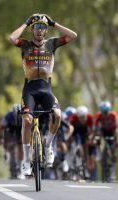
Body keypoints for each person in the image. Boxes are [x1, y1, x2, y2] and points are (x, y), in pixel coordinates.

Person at [9, 13, 77, 175]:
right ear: (33, 30)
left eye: (43, 28)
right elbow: (12, 38)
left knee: (58, 115)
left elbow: (73, 35)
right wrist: (26, 22)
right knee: (27, 121)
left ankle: (47, 146)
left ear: (46, 31)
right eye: (37, 27)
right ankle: (26, 159)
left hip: (46, 89)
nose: (40, 30)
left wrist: (53, 23)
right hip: (30, 90)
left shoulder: (52, 44)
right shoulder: (25, 45)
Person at [69, 105, 96, 180]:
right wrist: (70, 139)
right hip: (76, 130)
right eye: (80, 117)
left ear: (86, 115)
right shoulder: (74, 118)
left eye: (83, 117)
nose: (82, 119)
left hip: (85, 132)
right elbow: (70, 128)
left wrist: (90, 138)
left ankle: (85, 165)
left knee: (85, 146)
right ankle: (72, 160)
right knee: (72, 141)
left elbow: (92, 131)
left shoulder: (90, 118)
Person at [95, 101, 118, 181]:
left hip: (112, 132)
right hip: (104, 132)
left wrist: (116, 140)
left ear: (109, 111)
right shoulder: (99, 115)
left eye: (106, 112)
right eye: (103, 113)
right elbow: (96, 127)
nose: (105, 115)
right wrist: (97, 137)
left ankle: (113, 170)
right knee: (98, 136)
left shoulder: (113, 115)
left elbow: (116, 129)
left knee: (113, 149)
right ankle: (99, 151)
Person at [0, 104, 23, 179]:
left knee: (21, 146)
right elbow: (1, 128)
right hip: (10, 129)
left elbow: (29, 127)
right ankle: (6, 153)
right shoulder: (8, 115)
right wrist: (0, 139)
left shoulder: (24, 115)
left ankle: (20, 165)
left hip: (20, 129)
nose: (17, 116)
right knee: (9, 143)